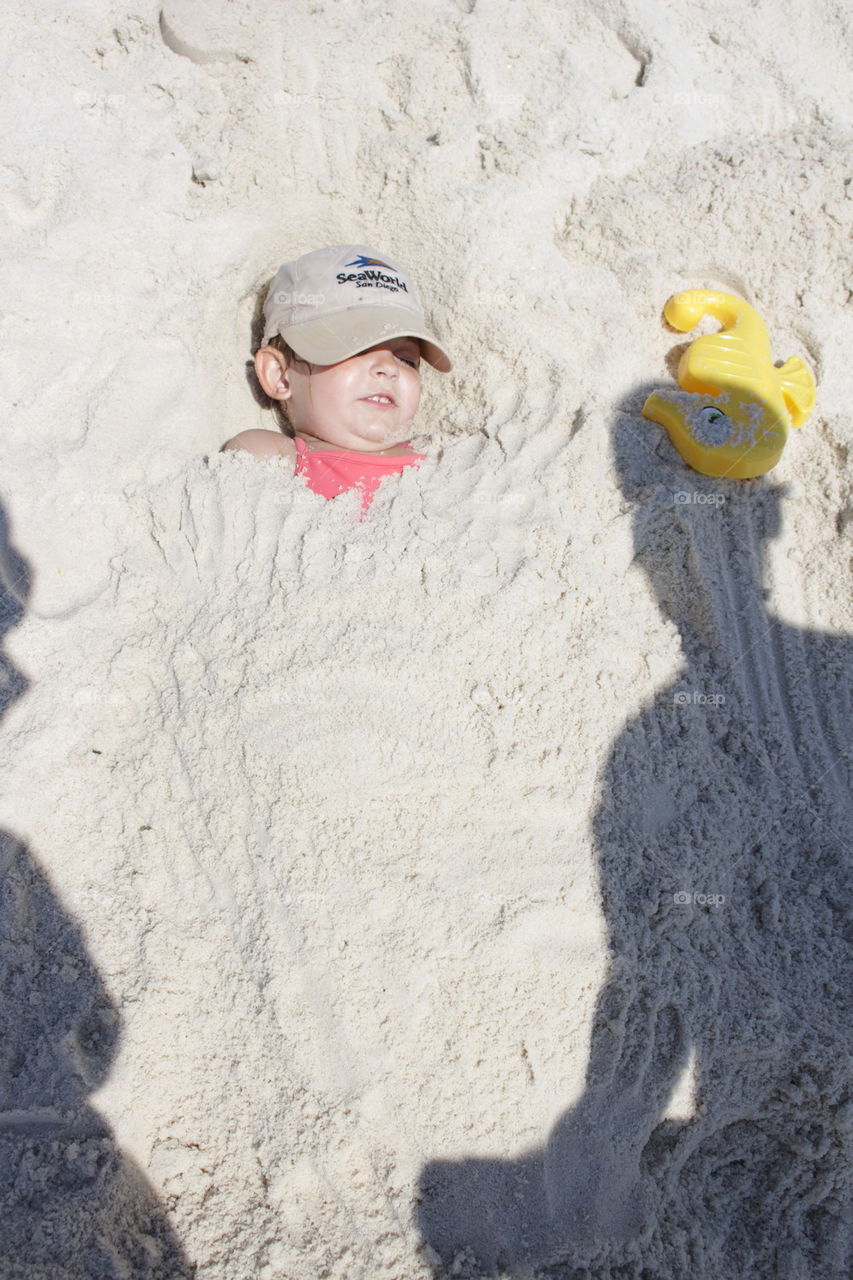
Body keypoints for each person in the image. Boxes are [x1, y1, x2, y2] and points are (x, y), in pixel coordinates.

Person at [221, 244, 452, 514]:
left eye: (406, 359)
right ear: (280, 375)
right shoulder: (273, 456)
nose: (389, 368)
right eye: (356, 348)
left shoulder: (444, 461)